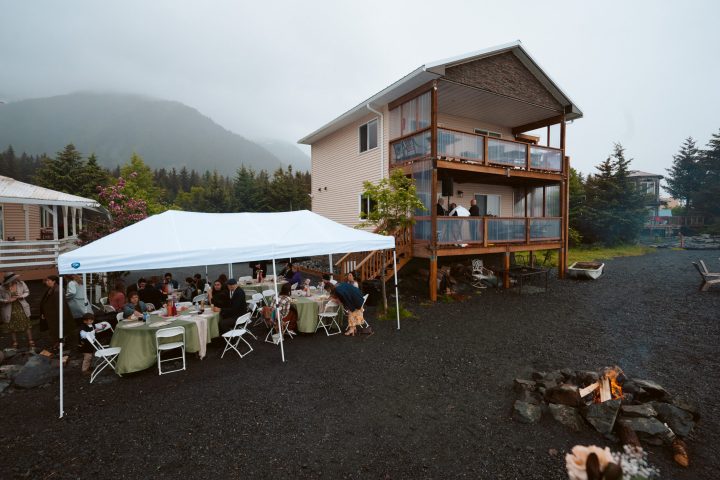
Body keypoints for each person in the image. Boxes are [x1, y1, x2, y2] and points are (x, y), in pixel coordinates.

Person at [39, 275, 75, 351]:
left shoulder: (57, 290)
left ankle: (61, 345)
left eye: (48, 280)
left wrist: (61, 316)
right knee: (55, 331)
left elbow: (60, 305)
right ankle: (58, 343)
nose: (47, 282)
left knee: (60, 330)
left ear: (54, 281)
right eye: (46, 280)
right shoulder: (51, 289)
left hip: (56, 315)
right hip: (52, 315)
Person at [0, 272, 34, 350]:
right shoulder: (2, 287)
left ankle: (31, 341)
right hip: (9, 309)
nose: (16, 279)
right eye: (13, 278)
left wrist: (21, 296)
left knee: (27, 324)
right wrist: (6, 300)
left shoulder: (21, 283)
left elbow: (27, 292)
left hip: (21, 307)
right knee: (12, 326)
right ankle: (15, 342)